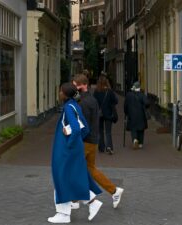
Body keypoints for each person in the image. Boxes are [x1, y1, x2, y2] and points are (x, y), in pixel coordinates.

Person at [48, 83, 103, 223]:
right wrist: (74, 138)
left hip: (67, 151)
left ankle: (63, 214)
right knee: (71, 178)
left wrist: (69, 144)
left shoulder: (67, 108)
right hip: (74, 149)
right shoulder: (74, 105)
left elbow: (77, 129)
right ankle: (91, 202)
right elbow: (85, 129)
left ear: (65, 94)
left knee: (61, 178)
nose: (59, 93)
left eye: (60, 91)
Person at [71, 74, 124, 209]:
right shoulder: (91, 99)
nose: (73, 87)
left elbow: (83, 125)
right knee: (91, 169)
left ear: (83, 85)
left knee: (73, 168)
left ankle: (76, 200)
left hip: (85, 141)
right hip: (93, 140)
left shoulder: (84, 103)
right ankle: (114, 190)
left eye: (75, 85)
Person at [93, 75, 118, 154]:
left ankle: (101, 147)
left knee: (100, 131)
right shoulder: (110, 92)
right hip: (108, 114)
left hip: (99, 114)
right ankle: (109, 147)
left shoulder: (96, 91)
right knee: (108, 131)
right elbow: (115, 101)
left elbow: (94, 102)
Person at [124, 81, 150, 149]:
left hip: (131, 115)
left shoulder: (129, 95)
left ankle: (135, 139)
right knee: (141, 129)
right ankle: (141, 143)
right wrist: (145, 107)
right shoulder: (142, 95)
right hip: (141, 115)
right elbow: (147, 103)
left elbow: (125, 105)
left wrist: (126, 112)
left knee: (133, 128)